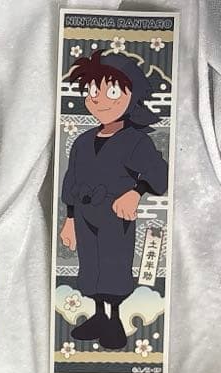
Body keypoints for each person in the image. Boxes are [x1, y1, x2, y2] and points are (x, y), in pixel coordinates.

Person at [59, 51, 168, 350]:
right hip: (84, 213)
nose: (99, 100)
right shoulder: (82, 141)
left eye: (112, 92)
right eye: (93, 91)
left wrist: (136, 192)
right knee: (90, 265)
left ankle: (114, 320)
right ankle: (98, 316)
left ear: (132, 96)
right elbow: (71, 180)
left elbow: (159, 172)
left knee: (114, 264)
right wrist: (70, 219)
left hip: (115, 214)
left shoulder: (135, 140)